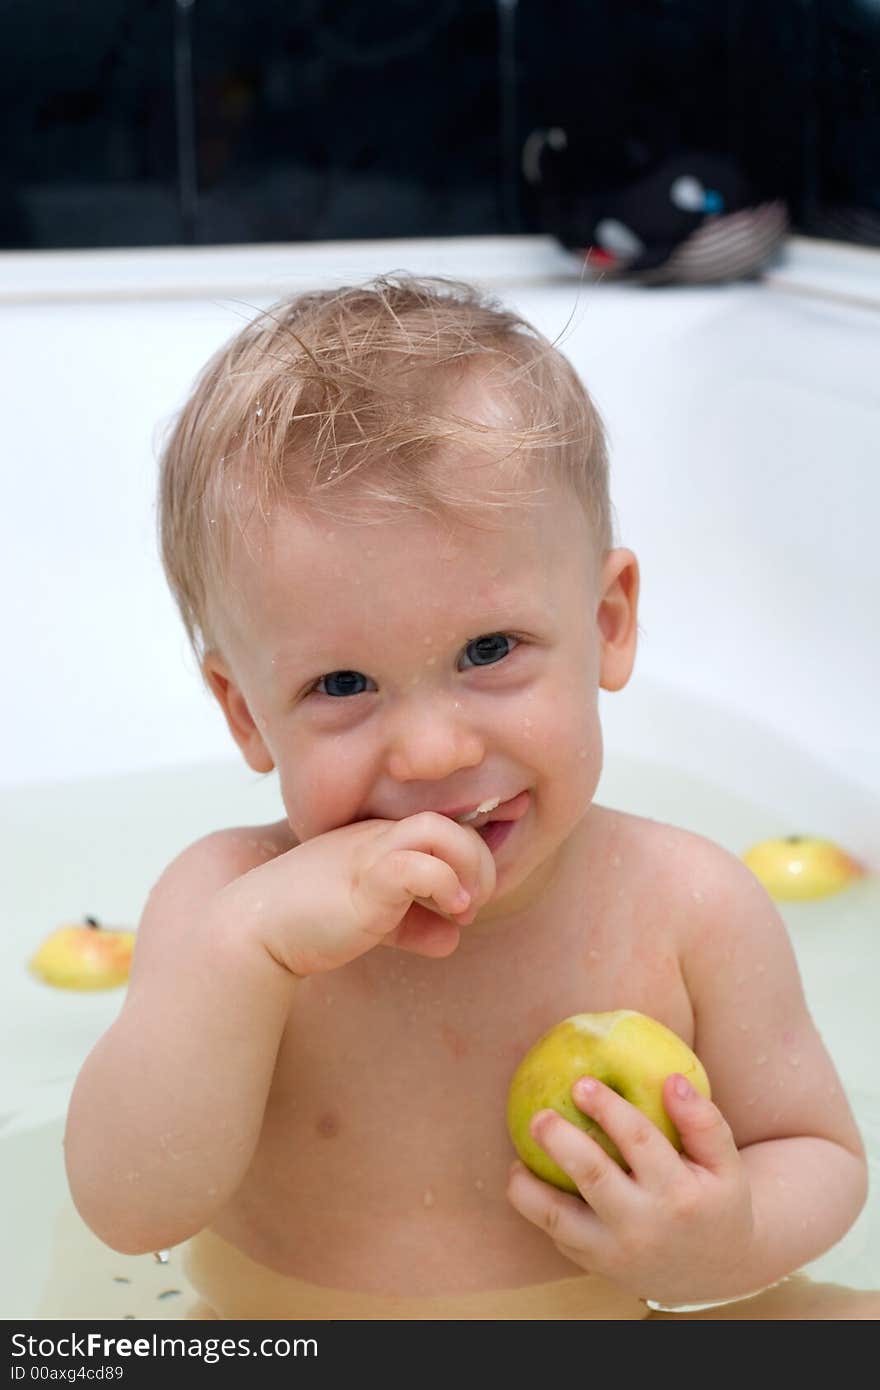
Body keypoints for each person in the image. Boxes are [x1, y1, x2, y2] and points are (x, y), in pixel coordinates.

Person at [64, 275, 877, 1320]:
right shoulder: (226, 903)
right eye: (342, 685)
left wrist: (726, 1241)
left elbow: (816, 1152)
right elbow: (127, 1210)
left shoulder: (689, 905)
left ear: (609, 620)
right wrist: (246, 957)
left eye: (489, 650)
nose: (437, 749)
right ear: (246, 713)